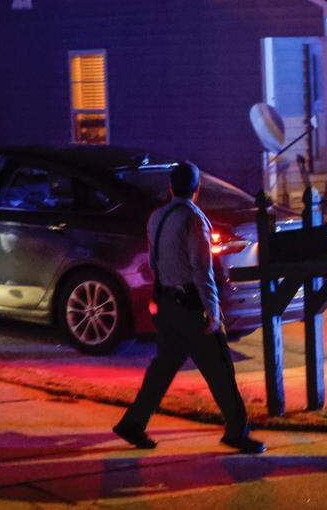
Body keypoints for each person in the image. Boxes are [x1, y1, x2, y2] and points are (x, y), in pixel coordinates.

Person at [113, 161, 265, 455]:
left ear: (170, 188)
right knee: (220, 369)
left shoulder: (157, 217)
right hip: (191, 306)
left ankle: (133, 423)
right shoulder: (194, 219)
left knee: (163, 368)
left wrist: (159, 295)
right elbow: (201, 270)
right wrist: (213, 311)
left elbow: (154, 260)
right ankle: (237, 431)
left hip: (168, 302)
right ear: (197, 190)